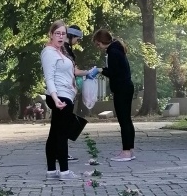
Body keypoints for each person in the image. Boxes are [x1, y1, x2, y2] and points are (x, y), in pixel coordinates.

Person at [41, 21, 83, 180]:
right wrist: (55, 97)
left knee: (54, 133)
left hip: (65, 95)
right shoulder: (49, 52)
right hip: (60, 96)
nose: (60, 36)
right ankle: (64, 171)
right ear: (51, 35)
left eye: (63, 34)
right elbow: (49, 78)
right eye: (57, 33)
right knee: (61, 133)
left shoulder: (61, 52)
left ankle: (51, 170)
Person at [93, 29, 135, 160]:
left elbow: (113, 72)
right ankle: (130, 149)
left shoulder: (113, 52)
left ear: (102, 41)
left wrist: (99, 70)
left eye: (98, 44)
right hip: (126, 87)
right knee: (127, 120)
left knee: (124, 121)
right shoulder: (117, 49)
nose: (98, 47)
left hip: (121, 89)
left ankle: (126, 151)